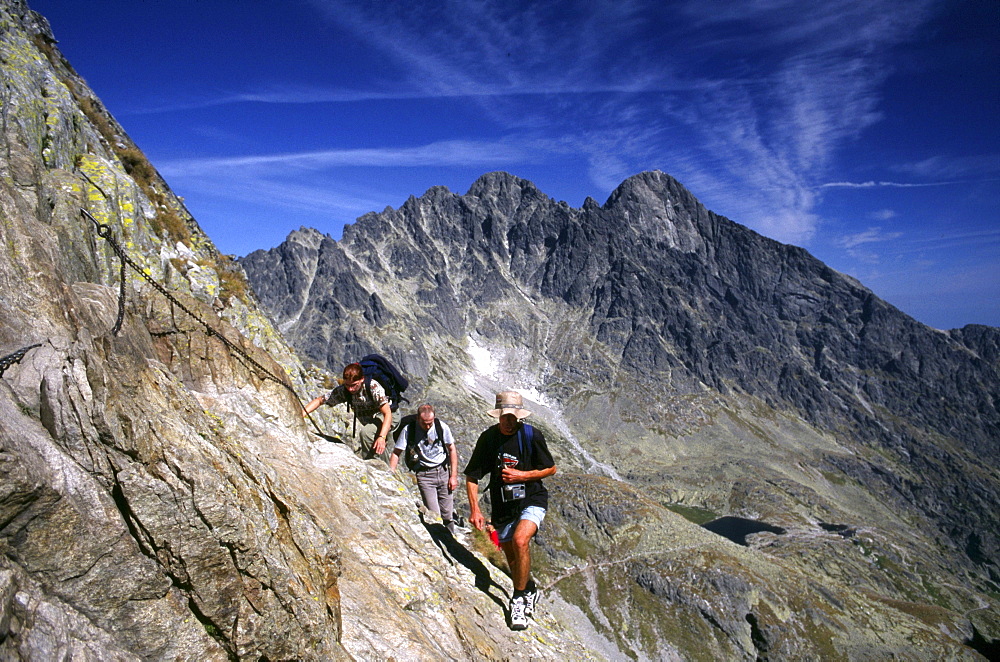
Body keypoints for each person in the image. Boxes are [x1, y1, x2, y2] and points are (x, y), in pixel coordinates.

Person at [465, 390, 556, 631]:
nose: (508, 422)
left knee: (520, 540)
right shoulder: (488, 439)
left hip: (532, 498)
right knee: (513, 558)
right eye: (504, 417)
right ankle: (529, 588)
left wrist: (523, 475)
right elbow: (472, 476)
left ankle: (518, 599)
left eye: (512, 418)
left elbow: (551, 468)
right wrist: (475, 510)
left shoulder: (531, 436)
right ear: (498, 416)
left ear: (519, 417)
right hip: (502, 506)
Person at [388, 404, 459, 534]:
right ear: (417, 419)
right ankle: (440, 541)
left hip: (443, 472)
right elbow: (396, 452)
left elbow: (452, 449)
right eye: (424, 423)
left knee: (448, 515)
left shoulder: (441, 427)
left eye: (430, 423)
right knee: (435, 515)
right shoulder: (409, 430)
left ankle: (452, 541)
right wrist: (390, 474)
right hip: (425, 476)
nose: (427, 426)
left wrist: (453, 476)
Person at [303, 363, 393, 463]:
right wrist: (301, 414)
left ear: (362, 379)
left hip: (389, 415)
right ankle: (385, 468)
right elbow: (320, 400)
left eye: (354, 385)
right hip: (371, 419)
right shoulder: (343, 391)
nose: (350, 389)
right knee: (374, 440)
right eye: (347, 385)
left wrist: (382, 437)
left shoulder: (373, 387)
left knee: (367, 433)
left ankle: (375, 467)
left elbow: (387, 413)